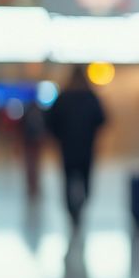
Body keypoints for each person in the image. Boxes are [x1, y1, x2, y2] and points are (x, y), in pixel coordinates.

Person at [46, 66, 106, 228]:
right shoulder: (91, 97)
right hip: (86, 147)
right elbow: (102, 119)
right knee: (86, 178)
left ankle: (71, 210)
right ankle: (82, 204)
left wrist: (59, 137)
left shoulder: (63, 98)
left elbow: (50, 122)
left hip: (68, 147)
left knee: (67, 178)